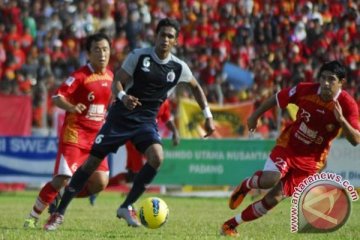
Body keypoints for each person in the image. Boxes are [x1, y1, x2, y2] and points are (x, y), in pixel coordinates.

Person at [44, 18, 215, 231]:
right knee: (90, 164)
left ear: (176, 42)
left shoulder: (179, 67)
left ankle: (126, 206)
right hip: (120, 118)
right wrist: (124, 96)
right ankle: (59, 213)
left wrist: (207, 115)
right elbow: (118, 80)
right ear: (156, 36)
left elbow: (196, 88)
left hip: (145, 122)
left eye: (170, 36)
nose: (165, 39)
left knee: (157, 157)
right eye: (162, 34)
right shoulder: (139, 56)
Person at [221, 60, 360, 237]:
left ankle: (230, 225)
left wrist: (342, 122)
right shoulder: (305, 89)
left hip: (311, 162)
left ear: (341, 82)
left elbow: (356, 140)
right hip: (289, 146)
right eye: (323, 78)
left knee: (274, 198)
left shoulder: (348, 105)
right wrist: (255, 116)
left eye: (331, 79)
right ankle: (247, 184)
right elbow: (278, 97)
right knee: (270, 179)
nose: (325, 83)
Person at [23, 32, 113, 228]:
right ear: (89, 54)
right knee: (62, 179)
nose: (102, 53)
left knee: (100, 182)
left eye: (105, 49)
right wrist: (72, 107)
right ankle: (32, 217)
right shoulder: (80, 76)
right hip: (75, 135)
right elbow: (56, 97)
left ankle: (60, 197)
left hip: (96, 139)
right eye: (97, 50)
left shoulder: (111, 76)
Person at [89, 99, 180, 205]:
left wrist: (175, 131)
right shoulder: (145, 93)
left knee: (131, 175)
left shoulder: (165, 101)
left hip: (147, 139)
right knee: (138, 172)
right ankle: (129, 203)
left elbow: (167, 118)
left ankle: (98, 188)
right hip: (135, 138)